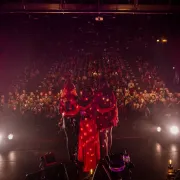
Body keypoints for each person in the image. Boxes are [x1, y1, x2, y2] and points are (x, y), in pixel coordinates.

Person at [78, 87, 100, 172]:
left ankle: (88, 164)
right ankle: (91, 164)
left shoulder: (80, 102)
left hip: (86, 126)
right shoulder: (93, 102)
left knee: (87, 145)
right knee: (90, 145)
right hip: (89, 126)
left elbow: (80, 112)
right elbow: (96, 113)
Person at [95, 80, 118, 158]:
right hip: (109, 117)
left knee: (104, 136)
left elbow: (98, 108)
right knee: (107, 135)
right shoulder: (111, 93)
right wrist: (112, 111)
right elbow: (114, 106)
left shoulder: (99, 94)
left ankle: (105, 155)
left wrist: (106, 110)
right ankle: (107, 154)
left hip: (103, 118)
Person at [59, 77, 80, 162]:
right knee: (76, 136)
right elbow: (78, 108)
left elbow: (60, 110)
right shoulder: (75, 98)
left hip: (66, 118)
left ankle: (71, 157)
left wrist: (64, 114)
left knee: (69, 138)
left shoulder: (63, 98)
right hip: (74, 117)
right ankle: (77, 154)